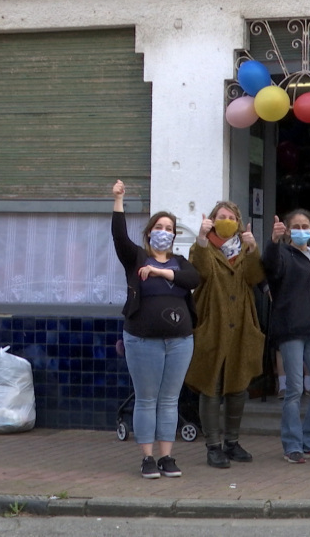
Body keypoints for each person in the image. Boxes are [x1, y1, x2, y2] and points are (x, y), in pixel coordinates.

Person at [111, 180, 199, 479]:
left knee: (170, 399)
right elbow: (119, 237)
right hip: (143, 340)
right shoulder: (137, 258)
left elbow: (193, 280)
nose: (165, 232)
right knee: (147, 398)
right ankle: (147, 458)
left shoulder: (180, 263)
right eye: (159, 227)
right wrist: (119, 200)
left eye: (169, 229)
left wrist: (161, 272)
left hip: (179, 342)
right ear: (150, 233)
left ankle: (167, 457)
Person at [185, 201, 265, 469]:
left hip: (241, 325)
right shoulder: (203, 246)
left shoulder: (244, 248)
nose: (227, 220)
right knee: (211, 386)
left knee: (238, 386)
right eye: (222, 216)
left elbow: (254, 278)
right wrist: (201, 239)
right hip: (213, 324)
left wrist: (253, 249)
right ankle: (213, 446)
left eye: (232, 217)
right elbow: (201, 272)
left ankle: (232, 442)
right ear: (212, 219)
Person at [263, 209, 310, 463]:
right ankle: (292, 445)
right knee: (294, 389)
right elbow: (269, 268)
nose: (301, 229)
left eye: (305, 225)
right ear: (288, 231)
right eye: (296, 226)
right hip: (291, 330)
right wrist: (272, 242)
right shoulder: (282, 254)